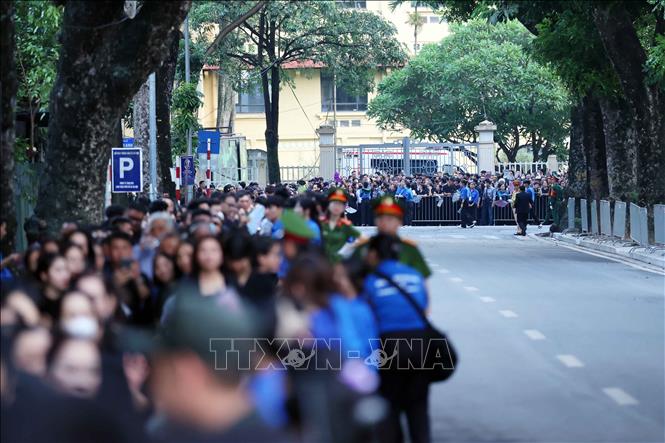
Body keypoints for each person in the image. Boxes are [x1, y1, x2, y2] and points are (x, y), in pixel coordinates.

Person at [362, 234, 431, 443]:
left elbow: (368, 319)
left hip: (388, 345)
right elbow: (425, 307)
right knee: (418, 408)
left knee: (389, 406)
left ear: (374, 254)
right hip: (420, 346)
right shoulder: (414, 275)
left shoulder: (371, 281)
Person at [353, 195, 431, 280]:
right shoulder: (364, 248)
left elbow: (422, 284)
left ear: (399, 222)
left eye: (390, 219)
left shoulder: (410, 249)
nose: (385, 223)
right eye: (380, 218)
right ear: (375, 221)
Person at [321, 189, 362, 263]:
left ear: (344, 207)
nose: (336, 207)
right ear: (329, 205)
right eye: (334, 203)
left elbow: (362, 239)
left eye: (340, 204)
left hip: (339, 263)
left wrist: (346, 250)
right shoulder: (321, 223)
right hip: (321, 263)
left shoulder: (346, 225)